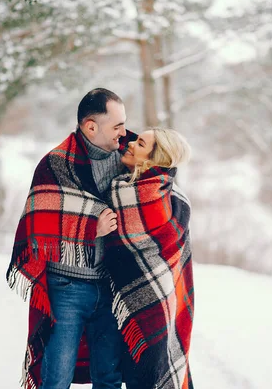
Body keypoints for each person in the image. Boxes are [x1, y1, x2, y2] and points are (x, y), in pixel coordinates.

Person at [6, 88, 137, 389]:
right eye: (117, 125)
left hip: (110, 286)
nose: (124, 132)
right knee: (56, 378)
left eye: (124, 123)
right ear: (91, 126)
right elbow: (38, 229)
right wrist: (90, 229)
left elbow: (160, 178)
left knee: (109, 378)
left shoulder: (128, 158)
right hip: (66, 288)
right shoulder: (55, 165)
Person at [103, 128, 195, 389]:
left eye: (139, 143)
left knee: (144, 380)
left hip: (155, 305)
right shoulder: (158, 188)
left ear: (154, 160)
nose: (130, 144)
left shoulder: (162, 199)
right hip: (121, 304)